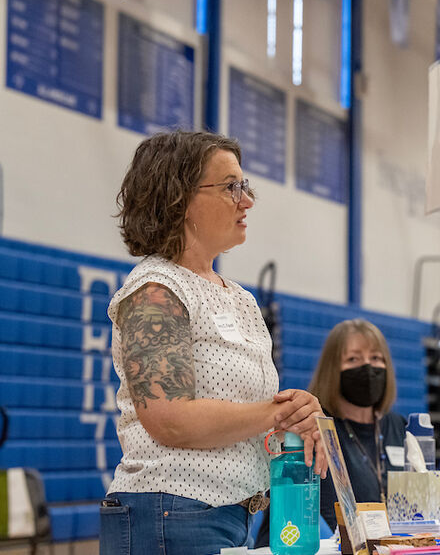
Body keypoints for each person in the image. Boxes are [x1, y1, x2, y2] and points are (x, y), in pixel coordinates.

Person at [100, 131, 326, 555]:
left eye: (244, 186)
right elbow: (168, 418)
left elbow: (249, 418)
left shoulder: (239, 298)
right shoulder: (155, 289)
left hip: (230, 514)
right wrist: (277, 413)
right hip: (169, 512)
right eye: (230, 187)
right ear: (178, 199)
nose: (247, 200)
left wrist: (297, 420)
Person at [258, 319, 407, 544]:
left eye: (376, 358)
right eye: (353, 359)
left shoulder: (397, 426)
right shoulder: (312, 427)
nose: (367, 367)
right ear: (333, 369)